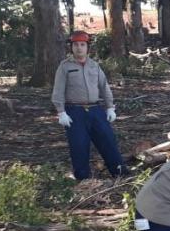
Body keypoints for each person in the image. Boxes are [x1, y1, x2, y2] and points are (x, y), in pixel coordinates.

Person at [51, 31, 127, 180]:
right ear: (71, 47)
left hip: (95, 110)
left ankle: (120, 173)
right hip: (74, 111)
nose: (79, 48)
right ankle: (83, 179)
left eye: (82, 45)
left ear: (87, 47)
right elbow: (58, 90)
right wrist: (61, 112)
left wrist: (110, 107)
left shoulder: (94, 66)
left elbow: (104, 87)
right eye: (76, 45)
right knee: (79, 145)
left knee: (108, 140)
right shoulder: (65, 66)